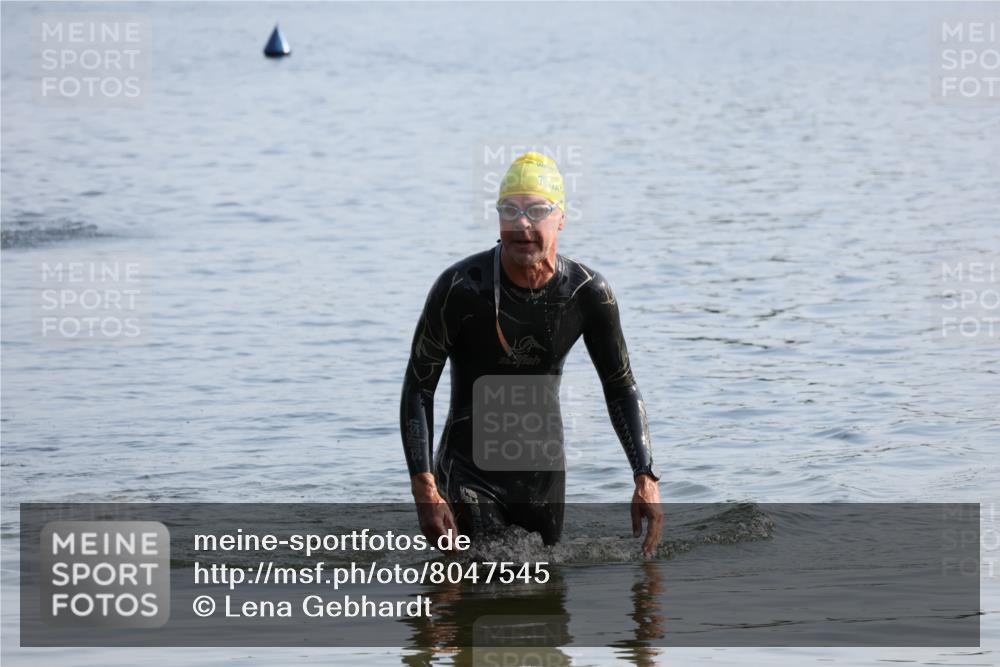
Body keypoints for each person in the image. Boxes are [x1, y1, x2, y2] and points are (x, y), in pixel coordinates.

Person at [400, 152, 662, 555]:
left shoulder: (587, 293)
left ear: (561, 217)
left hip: (543, 476)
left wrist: (645, 476)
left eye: (537, 210)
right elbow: (419, 387)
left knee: (545, 598)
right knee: (487, 579)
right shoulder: (461, 289)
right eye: (510, 210)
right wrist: (424, 486)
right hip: (468, 469)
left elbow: (620, 385)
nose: (522, 223)